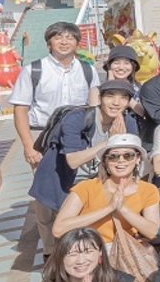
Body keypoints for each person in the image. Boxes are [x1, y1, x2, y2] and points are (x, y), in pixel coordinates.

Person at [11, 20, 102, 257]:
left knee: (79, 190)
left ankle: (79, 246)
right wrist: (28, 145)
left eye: (70, 37)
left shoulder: (87, 70)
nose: (64, 41)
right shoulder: (33, 70)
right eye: (58, 37)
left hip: (77, 137)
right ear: (49, 42)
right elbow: (20, 109)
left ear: (76, 42)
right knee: (46, 197)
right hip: (43, 136)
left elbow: (95, 104)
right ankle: (51, 252)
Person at [29, 80, 140, 261]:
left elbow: (131, 156)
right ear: (100, 98)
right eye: (110, 96)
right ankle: (50, 263)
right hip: (57, 177)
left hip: (91, 181)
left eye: (123, 98)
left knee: (77, 233)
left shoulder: (129, 122)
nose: (116, 102)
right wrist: (110, 140)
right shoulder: (77, 118)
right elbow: (73, 161)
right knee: (49, 227)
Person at [53, 133, 160, 245]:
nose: (121, 160)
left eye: (128, 155)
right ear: (105, 161)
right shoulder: (85, 188)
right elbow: (58, 230)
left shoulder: (149, 190)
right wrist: (109, 208)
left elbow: (152, 232)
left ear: (138, 159)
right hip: (92, 252)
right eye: (113, 156)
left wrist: (122, 208)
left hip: (126, 252)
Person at [102, 45, 144, 117]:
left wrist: (120, 90)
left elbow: (143, 113)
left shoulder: (140, 88)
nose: (121, 67)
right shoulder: (98, 89)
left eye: (126, 63)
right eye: (116, 63)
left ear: (133, 67)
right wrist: (110, 86)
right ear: (109, 66)